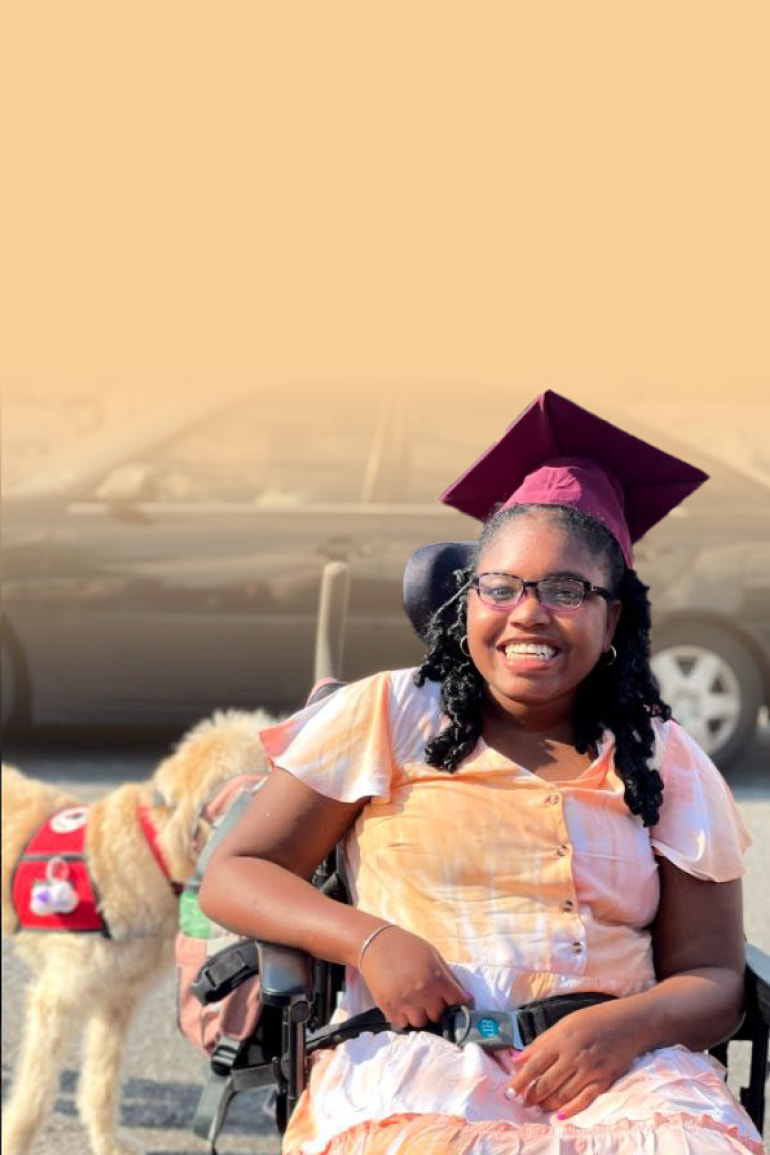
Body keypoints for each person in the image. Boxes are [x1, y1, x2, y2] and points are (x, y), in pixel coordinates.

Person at [199, 392, 764, 1155]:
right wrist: (367, 942)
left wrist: (627, 1024)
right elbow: (236, 874)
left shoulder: (665, 757)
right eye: (500, 586)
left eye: (566, 589)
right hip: (417, 1059)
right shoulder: (391, 713)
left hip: (619, 1070)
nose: (528, 612)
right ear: (468, 602)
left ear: (616, 616)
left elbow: (714, 976)